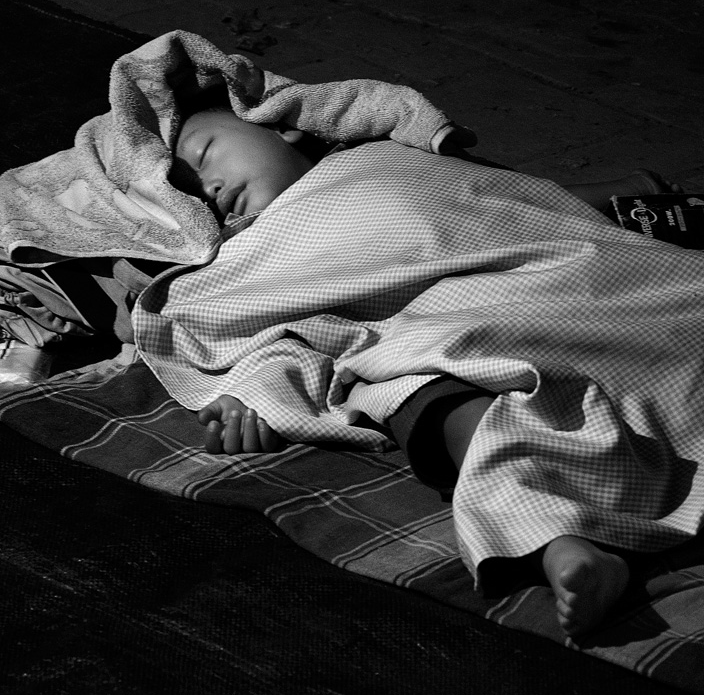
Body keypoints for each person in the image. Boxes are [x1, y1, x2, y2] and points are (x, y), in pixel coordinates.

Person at [166, 104, 687, 638]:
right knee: (419, 397)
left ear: (281, 125)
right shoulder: (247, 258)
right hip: (439, 338)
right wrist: (246, 395)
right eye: (190, 192)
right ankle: (557, 541)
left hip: (572, 279)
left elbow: (520, 201)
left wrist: (634, 190)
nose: (208, 187)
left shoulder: (387, 160)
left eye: (205, 155)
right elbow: (272, 338)